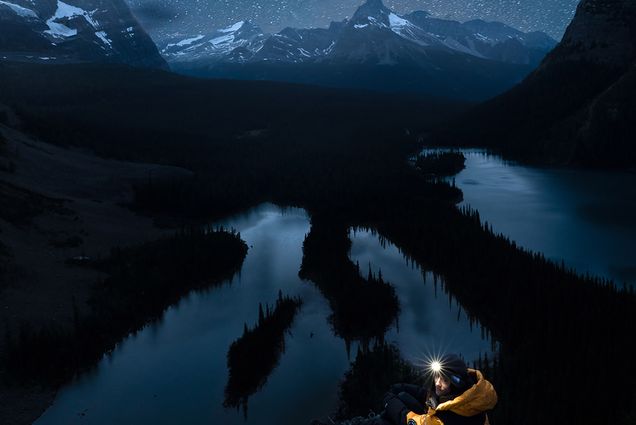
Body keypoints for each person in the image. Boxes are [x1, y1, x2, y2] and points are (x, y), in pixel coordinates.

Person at [382, 354, 497, 425]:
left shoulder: (447, 419)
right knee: (403, 395)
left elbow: (411, 421)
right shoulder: (469, 397)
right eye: (437, 376)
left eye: (445, 380)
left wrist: (388, 401)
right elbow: (429, 395)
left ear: (456, 385)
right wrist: (402, 387)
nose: (437, 383)